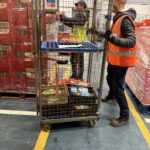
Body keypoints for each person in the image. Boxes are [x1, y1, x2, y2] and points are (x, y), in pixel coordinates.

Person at [102, 0, 137, 127]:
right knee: (109, 78)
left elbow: (131, 41)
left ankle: (124, 116)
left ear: (117, 1)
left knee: (118, 88)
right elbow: (113, 36)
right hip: (114, 60)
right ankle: (111, 95)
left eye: (112, 1)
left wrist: (112, 38)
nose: (110, 4)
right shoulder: (118, 18)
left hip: (121, 62)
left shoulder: (125, 20)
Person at [58, 0, 89, 80]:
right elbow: (71, 23)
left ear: (82, 6)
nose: (76, 7)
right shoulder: (78, 15)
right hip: (75, 42)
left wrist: (62, 16)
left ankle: (79, 77)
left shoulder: (82, 15)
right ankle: (75, 75)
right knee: (73, 59)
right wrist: (61, 19)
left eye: (77, 5)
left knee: (79, 61)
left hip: (80, 43)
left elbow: (72, 20)